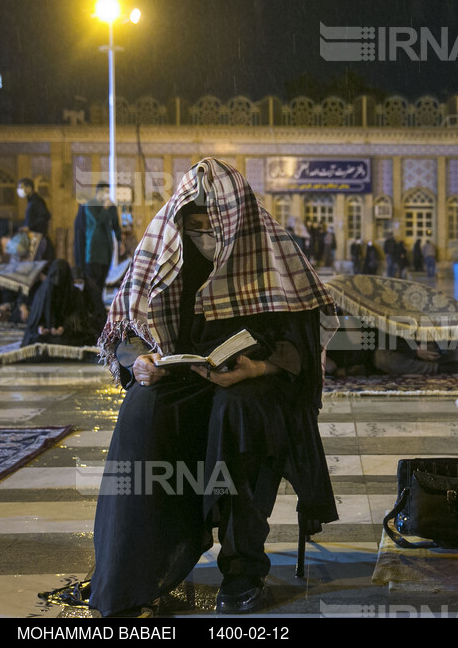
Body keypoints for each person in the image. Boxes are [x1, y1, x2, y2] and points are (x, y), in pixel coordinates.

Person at [89, 158, 339, 617]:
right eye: (196, 225)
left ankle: (243, 567)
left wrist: (256, 369)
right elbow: (128, 334)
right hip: (186, 376)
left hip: (259, 382)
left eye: (213, 225)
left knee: (237, 412)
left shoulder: (271, 250)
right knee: (143, 411)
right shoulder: (171, 255)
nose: (205, 235)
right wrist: (140, 363)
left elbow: (300, 349)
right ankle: (133, 567)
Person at [21, 259, 106, 348]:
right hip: (46, 334)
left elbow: (79, 316)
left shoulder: (75, 293)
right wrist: (41, 328)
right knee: (36, 339)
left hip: (68, 332)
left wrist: (64, 328)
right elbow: (35, 320)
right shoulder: (43, 293)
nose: (57, 283)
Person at [17, 178, 54, 260]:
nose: (19, 190)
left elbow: (44, 218)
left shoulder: (37, 201)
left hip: (37, 239)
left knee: (34, 265)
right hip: (32, 238)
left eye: (21, 187)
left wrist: (29, 227)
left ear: (29, 188)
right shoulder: (31, 201)